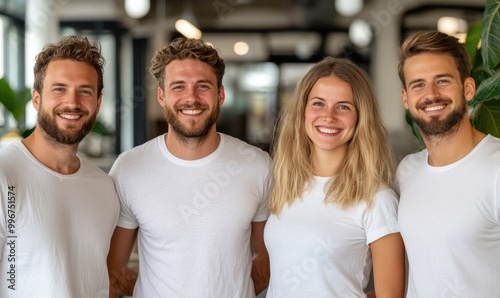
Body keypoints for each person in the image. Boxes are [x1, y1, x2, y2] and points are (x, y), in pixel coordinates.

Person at [107, 37, 271, 298]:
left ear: (221, 94)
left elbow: (268, 255)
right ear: (162, 96)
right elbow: (113, 268)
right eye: (178, 87)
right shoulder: (129, 168)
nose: (191, 98)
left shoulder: (257, 165)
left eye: (203, 86)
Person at [264, 57, 405, 297]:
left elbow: (390, 296)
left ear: (361, 117)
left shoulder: (377, 199)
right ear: (302, 111)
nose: (328, 116)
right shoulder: (286, 186)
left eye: (343, 106)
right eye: (318, 103)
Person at [0, 36, 119, 297]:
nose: (73, 102)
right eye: (59, 89)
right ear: (36, 98)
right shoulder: (4, 174)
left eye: (85, 91)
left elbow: (101, 278)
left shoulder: (104, 187)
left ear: (97, 104)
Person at [396, 30, 500, 297]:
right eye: (418, 84)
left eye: (442, 81)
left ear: (468, 88)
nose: (431, 94)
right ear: (406, 99)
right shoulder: (407, 171)